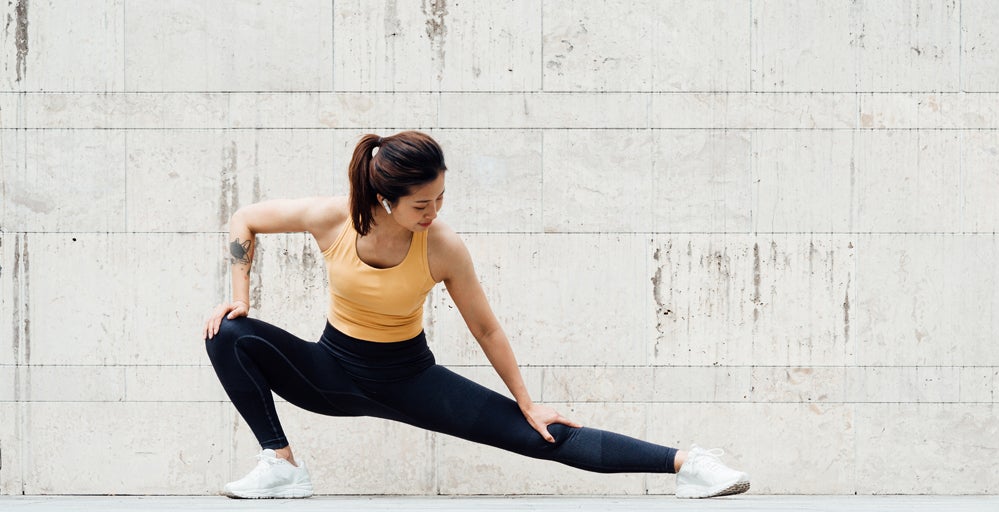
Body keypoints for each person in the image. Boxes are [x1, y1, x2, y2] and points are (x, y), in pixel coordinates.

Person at [201, 131, 750, 499]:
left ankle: (689, 464)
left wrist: (528, 402)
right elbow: (245, 218)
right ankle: (281, 464)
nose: (434, 213)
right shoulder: (333, 219)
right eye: (422, 204)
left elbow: (485, 327)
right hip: (327, 372)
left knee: (543, 436)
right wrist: (240, 293)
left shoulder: (442, 246)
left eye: (440, 198)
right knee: (228, 331)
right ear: (387, 198)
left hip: (409, 379)